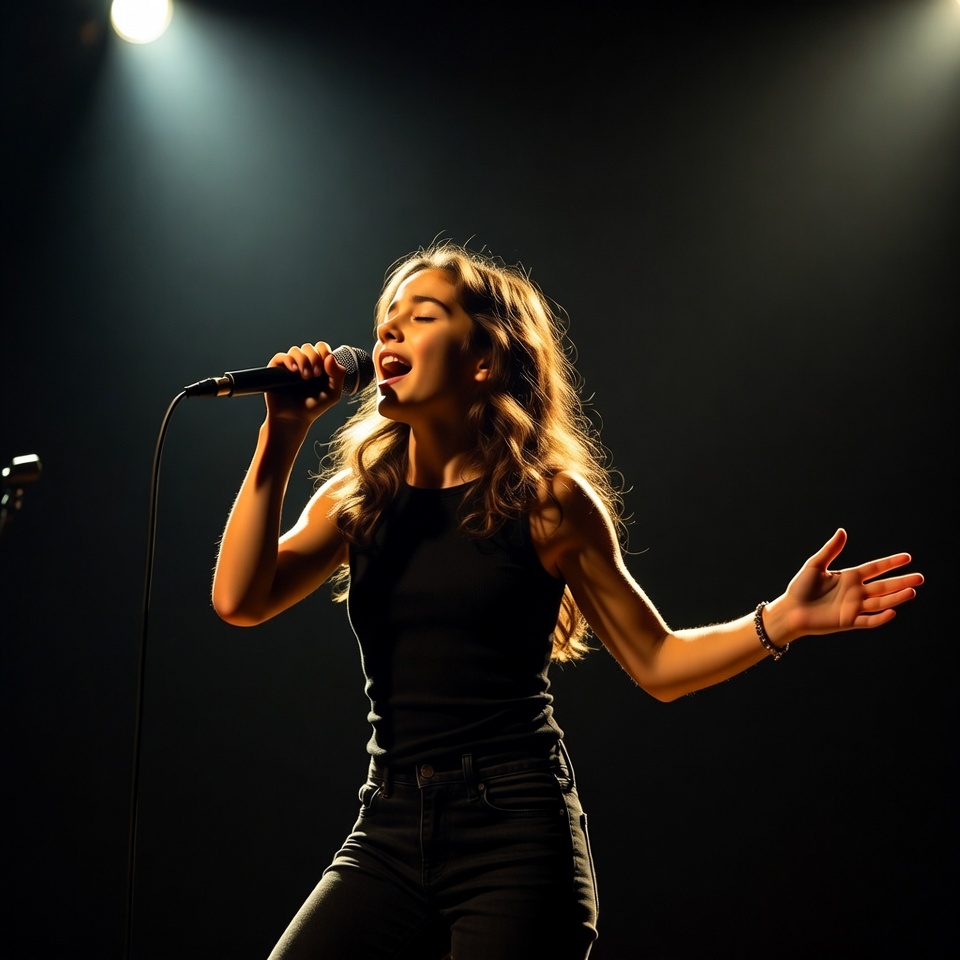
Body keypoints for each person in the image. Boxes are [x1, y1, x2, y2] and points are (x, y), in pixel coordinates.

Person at [211, 242, 922, 960]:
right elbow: (241, 598)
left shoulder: (546, 504)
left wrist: (783, 621)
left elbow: (657, 660)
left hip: (514, 831)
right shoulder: (358, 500)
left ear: (482, 361)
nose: (388, 332)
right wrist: (283, 434)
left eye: (421, 317)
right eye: (386, 319)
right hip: (387, 823)